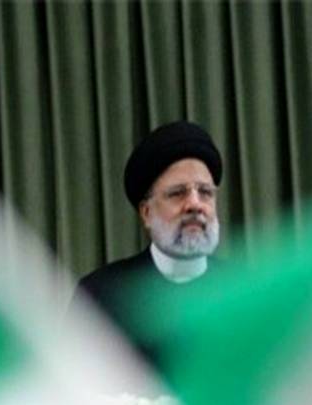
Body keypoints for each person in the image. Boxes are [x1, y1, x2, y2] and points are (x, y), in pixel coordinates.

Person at [72, 120, 224, 370]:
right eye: (177, 193)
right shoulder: (99, 296)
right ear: (146, 213)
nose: (195, 204)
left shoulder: (247, 292)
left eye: (205, 192)